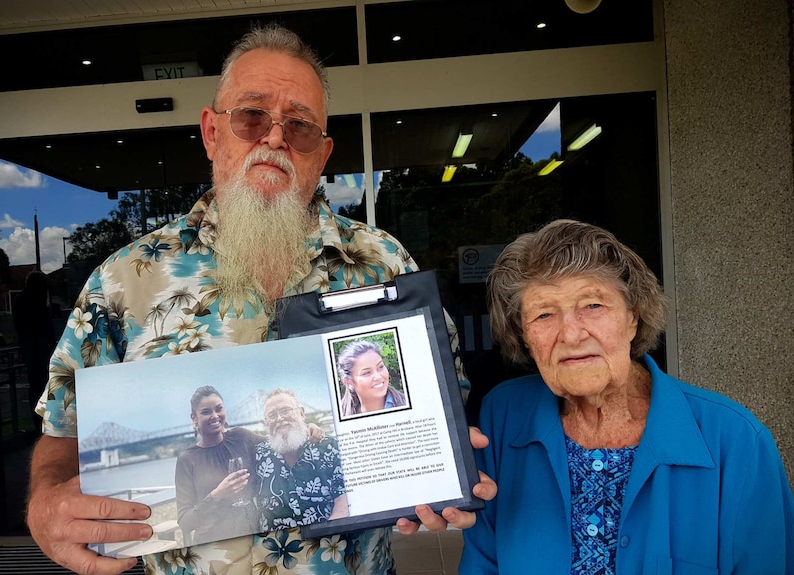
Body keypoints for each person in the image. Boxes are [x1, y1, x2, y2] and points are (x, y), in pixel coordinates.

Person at [26, 23, 495, 575]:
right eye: (252, 116)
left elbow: (438, 402)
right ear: (211, 131)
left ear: (321, 154)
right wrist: (45, 504)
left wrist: (438, 469)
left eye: (298, 126)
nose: (274, 138)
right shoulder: (126, 280)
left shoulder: (383, 262)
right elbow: (63, 433)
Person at [460, 219, 794, 574]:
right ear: (524, 336)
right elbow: (482, 562)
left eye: (593, 306)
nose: (572, 334)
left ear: (632, 317)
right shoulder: (504, 416)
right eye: (544, 314)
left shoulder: (735, 440)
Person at [175, 386, 261, 545]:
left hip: (254, 538)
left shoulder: (242, 437)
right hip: (215, 547)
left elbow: (278, 446)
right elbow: (185, 522)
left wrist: (309, 431)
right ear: (194, 418)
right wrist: (217, 495)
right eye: (206, 412)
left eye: (219, 409)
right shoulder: (186, 460)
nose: (215, 416)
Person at [254, 389, 347, 530]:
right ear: (266, 423)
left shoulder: (329, 446)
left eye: (286, 410)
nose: (280, 418)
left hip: (327, 541)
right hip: (275, 547)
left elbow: (343, 498)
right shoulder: (257, 455)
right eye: (272, 415)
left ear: (302, 413)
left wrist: (329, 533)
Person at [12, 269, 56, 414]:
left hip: (32, 350)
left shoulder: (21, 300)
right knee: (42, 384)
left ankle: (37, 418)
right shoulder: (37, 303)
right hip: (39, 350)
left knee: (36, 385)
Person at [336, 339, 407, 416]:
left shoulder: (408, 405)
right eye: (367, 373)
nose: (378, 377)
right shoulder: (342, 418)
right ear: (348, 381)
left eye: (380, 367)